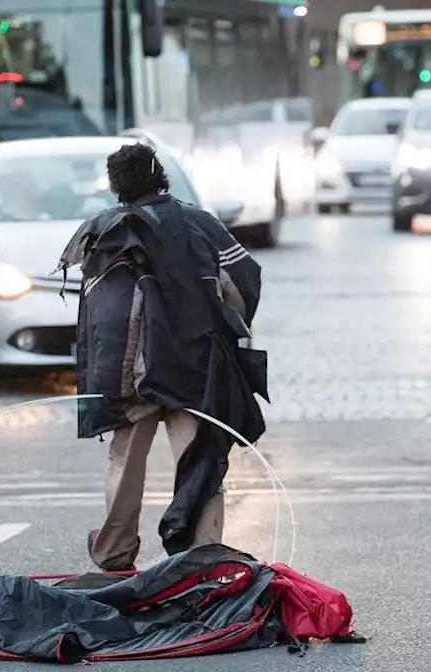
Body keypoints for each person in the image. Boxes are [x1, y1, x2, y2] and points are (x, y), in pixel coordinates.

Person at [57, 143, 268, 572]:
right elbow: (244, 284)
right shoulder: (201, 224)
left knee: (125, 461)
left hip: (128, 373)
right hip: (195, 367)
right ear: (161, 175)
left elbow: (96, 316)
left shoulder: (101, 230)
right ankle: (203, 555)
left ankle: (115, 551)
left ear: (117, 184)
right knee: (200, 460)